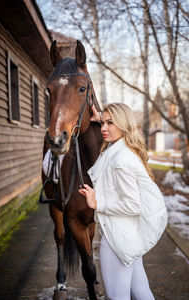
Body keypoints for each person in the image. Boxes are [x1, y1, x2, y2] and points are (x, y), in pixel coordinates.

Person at [79, 103, 168, 300]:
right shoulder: (124, 150)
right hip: (128, 236)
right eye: (102, 123)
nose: (103, 128)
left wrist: (97, 203)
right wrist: (100, 117)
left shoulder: (119, 159)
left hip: (116, 240)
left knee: (117, 296)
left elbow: (132, 205)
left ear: (123, 124)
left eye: (110, 123)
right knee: (141, 291)